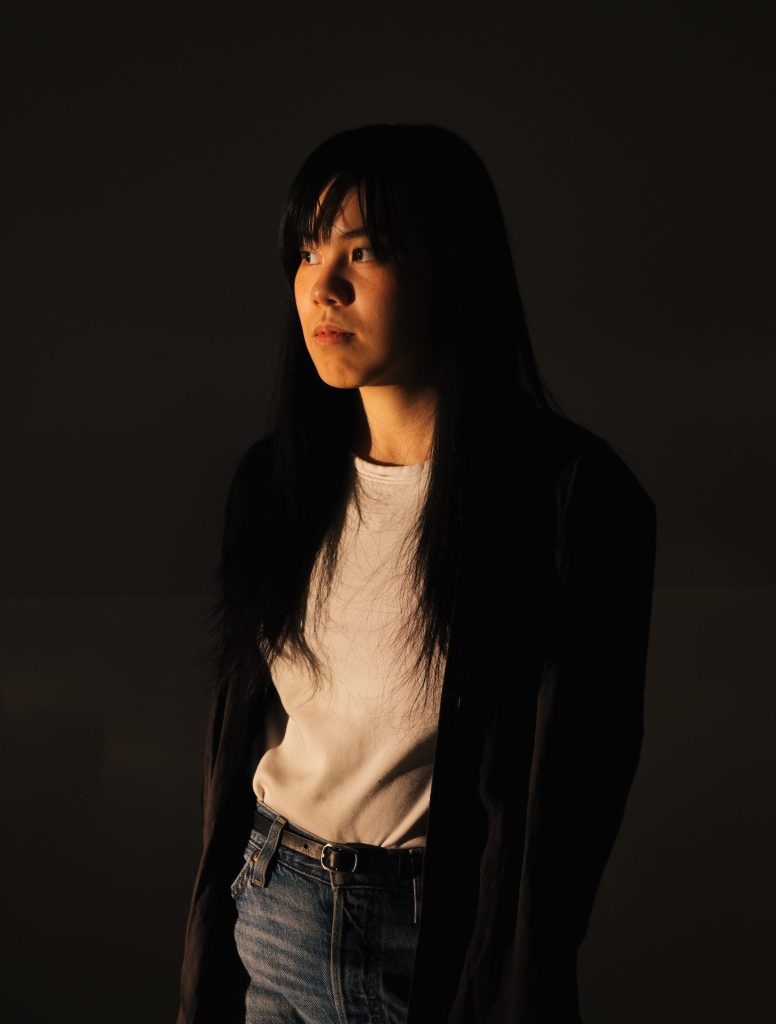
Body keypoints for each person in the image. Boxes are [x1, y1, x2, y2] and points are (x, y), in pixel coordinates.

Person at [176, 122, 657, 1024]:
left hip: (433, 940)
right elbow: (240, 743)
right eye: (308, 251)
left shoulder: (569, 497)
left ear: (451, 268)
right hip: (272, 906)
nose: (323, 286)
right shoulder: (273, 483)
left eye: (363, 252)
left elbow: (573, 796)